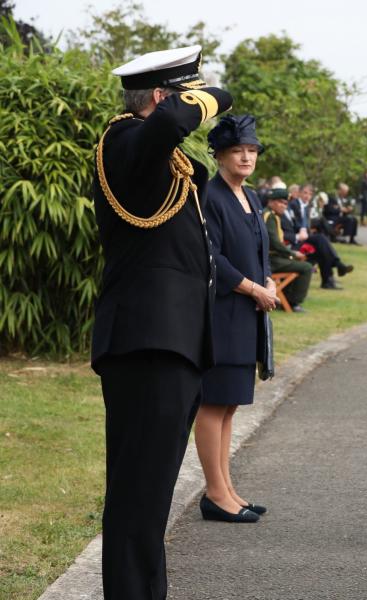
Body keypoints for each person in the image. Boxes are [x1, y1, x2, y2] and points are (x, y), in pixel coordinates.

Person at [91, 45, 232, 599]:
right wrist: (220, 95)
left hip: (169, 341)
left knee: (148, 497)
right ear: (160, 96)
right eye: (184, 93)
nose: (193, 105)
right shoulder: (125, 140)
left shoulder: (160, 159)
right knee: (137, 495)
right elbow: (171, 122)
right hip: (148, 341)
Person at [193, 114, 277, 525]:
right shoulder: (210, 196)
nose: (246, 157)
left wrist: (269, 282)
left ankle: (226, 488)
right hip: (223, 314)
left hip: (247, 315)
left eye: (251, 150)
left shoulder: (251, 196)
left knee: (229, 406)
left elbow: (259, 250)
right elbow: (211, 259)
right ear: (220, 156)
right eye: (237, 151)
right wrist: (252, 288)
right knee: (213, 403)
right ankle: (213, 492)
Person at [263, 188, 312, 311]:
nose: (284, 206)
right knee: (306, 267)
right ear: (271, 202)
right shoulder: (269, 216)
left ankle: (286, 297)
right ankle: (293, 302)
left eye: (285, 203)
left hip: (273, 257)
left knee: (301, 263)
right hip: (270, 260)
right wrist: (292, 254)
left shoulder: (273, 215)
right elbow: (274, 243)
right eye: (280, 202)